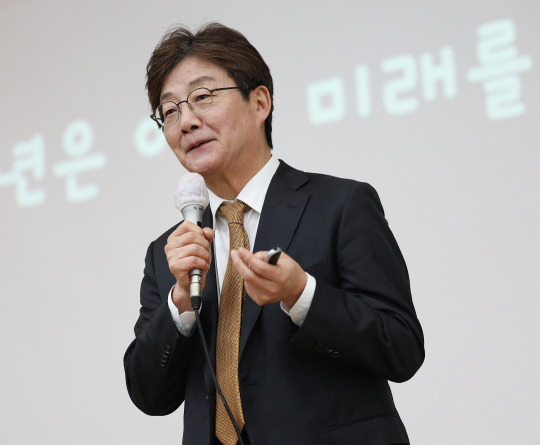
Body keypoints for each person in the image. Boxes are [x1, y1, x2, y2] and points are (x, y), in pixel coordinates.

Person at [124, 22, 424, 445]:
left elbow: (402, 346)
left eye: (202, 97)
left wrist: (302, 295)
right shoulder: (169, 253)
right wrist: (179, 304)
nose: (185, 121)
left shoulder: (340, 205)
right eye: (169, 111)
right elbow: (148, 395)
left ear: (260, 102)